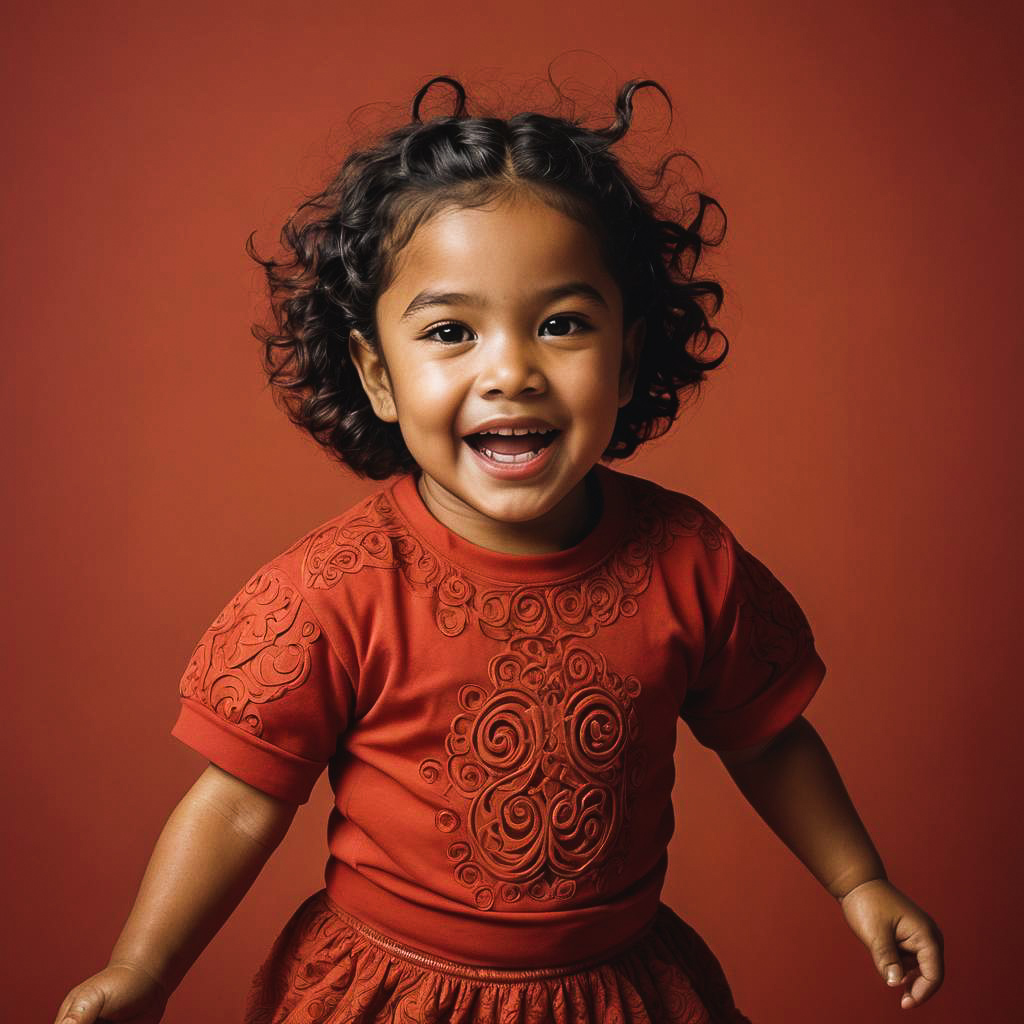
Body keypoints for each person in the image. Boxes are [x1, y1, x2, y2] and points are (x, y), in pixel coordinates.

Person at [53, 72, 945, 1024]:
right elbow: (236, 803)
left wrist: (859, 881)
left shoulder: (689, 560)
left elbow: (768, 739)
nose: (511, 370)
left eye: (561, 325)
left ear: (631, 356)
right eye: (450, 331)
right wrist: (142, 971)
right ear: (377, 375)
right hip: (391, 997)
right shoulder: (335, 591)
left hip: (620, 994)